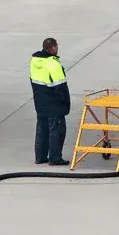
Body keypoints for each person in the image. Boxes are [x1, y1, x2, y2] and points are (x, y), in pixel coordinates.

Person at [28, 36, 71, 166]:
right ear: (52, 48)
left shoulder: (34, 62)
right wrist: (64, 103)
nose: (57, 48)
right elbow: (61, 88)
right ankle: (55, 158)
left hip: (40, 103)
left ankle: (40, 157)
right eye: (56, 46)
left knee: (42, 130)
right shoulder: (53, 65)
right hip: (54, 105)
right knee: (56, 131)